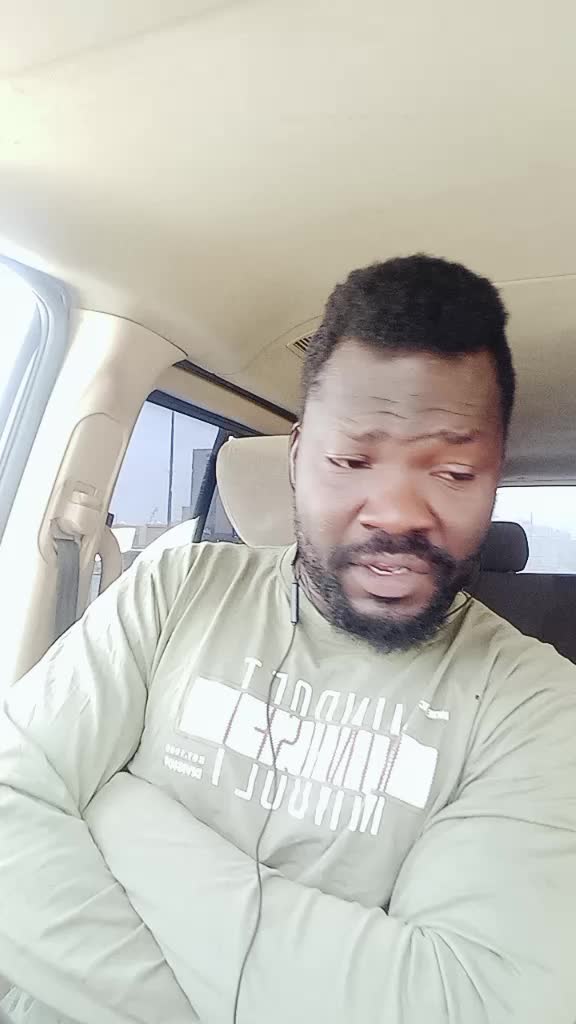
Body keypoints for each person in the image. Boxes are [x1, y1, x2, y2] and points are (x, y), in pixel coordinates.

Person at [1, 255, 576, 1024]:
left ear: (495, 477)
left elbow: (471, 1003)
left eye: (453, 471)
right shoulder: (176, 588)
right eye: (352, 459)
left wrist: (114, 808)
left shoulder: (540, 707)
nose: (398, 511)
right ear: (299, 456)